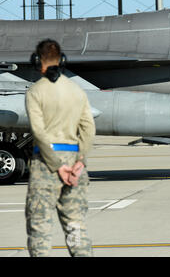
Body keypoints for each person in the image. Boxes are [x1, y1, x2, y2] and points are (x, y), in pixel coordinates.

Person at [25, 39, 96, 257]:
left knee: (40, 228)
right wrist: (79, 161)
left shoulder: (35, 92)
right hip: (74, 161)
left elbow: (39, 132)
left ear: (38, 62)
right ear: (62, 60)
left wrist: (58, 166)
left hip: (46, 164)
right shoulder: (77, 91)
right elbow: (88, 127)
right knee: (76, 226)